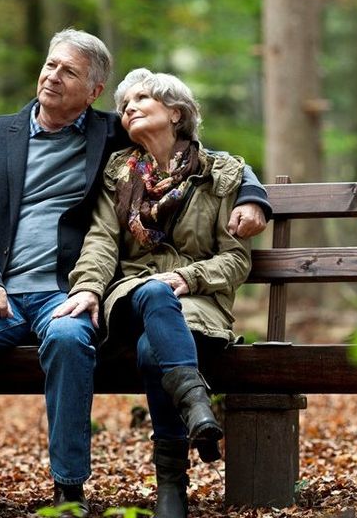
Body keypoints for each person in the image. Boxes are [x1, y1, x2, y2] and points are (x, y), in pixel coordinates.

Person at [0, 31, 270, 518]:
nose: (52, 77)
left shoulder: (113, 133)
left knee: (67, 341)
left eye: (69, 72)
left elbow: (195, 153)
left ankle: (69, 490)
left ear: (95, 91)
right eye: (50, 64)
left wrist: (254, 196)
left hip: (69, 293)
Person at [52, 68, 254, 517]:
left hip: (198, 303)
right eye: (124, 106)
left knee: (150, 351)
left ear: (176, 112)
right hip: (130, 294)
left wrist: (189, 279)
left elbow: (236, 259)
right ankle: (195, 402)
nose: (129, 110)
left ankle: (171, 489)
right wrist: (87, 288)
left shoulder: (220, 173)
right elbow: (102, 241)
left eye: (142, 99)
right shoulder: (118, 173)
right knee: (153, 294)